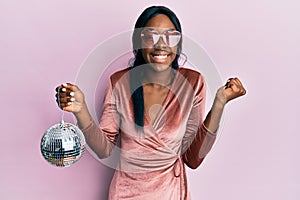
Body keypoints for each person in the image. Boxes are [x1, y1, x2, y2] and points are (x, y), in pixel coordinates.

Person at [56, 5, 246, 200]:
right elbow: (104, 150)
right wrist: (81, 111)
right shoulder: (119, 83)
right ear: (139, 41)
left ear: (178, 44)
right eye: (151, 36)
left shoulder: (193, 82)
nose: (161, 45)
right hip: (125, 194)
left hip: (172, 193)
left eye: (171, 36)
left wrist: (220, 103)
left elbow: (192, 159)